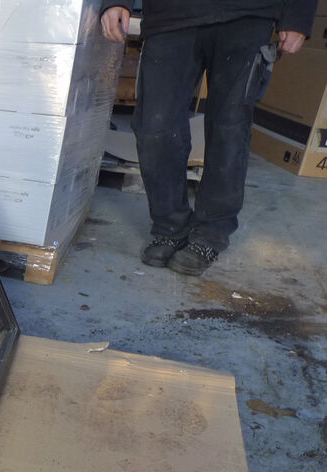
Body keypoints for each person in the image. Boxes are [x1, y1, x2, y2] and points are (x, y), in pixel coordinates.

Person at [100, 0, 315, 275]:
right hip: (170, 16)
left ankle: (210, 235)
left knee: (230, 130)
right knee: (154, 127)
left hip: (248, 16)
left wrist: (298, 16)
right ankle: (170, 227)